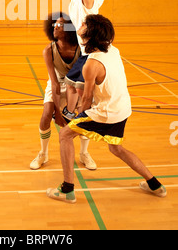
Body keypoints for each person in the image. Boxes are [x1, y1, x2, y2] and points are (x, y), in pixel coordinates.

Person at [47, 14, 167, 203]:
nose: (81, 24)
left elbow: (86, 99)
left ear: (90, 34)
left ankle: (67, 189)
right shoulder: (113, 50)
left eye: (85, 24)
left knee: (65, 135)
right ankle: (154, 184)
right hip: (123, 109)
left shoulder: (91, 65)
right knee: (116, 148)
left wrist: (75, 115)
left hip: (107, 113)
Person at [30, 13, 97, 171]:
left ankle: (84, 153)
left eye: (60, 25)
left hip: (77, 84)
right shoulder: (48, 50)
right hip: (58, 84)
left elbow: (84, 79)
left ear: (68, 29)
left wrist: (77, 105)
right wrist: (57, 113)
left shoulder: (81, 49)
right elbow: (53, 82)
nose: (55, 27)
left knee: (84, 115)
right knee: (46, 113)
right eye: (54, 25)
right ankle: (43, 153)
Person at [57, 0, 104, 121]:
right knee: (74, 84)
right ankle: (78, 111)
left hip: (95, 50)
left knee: (76, 84)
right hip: (86, 49)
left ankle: (79, 113)